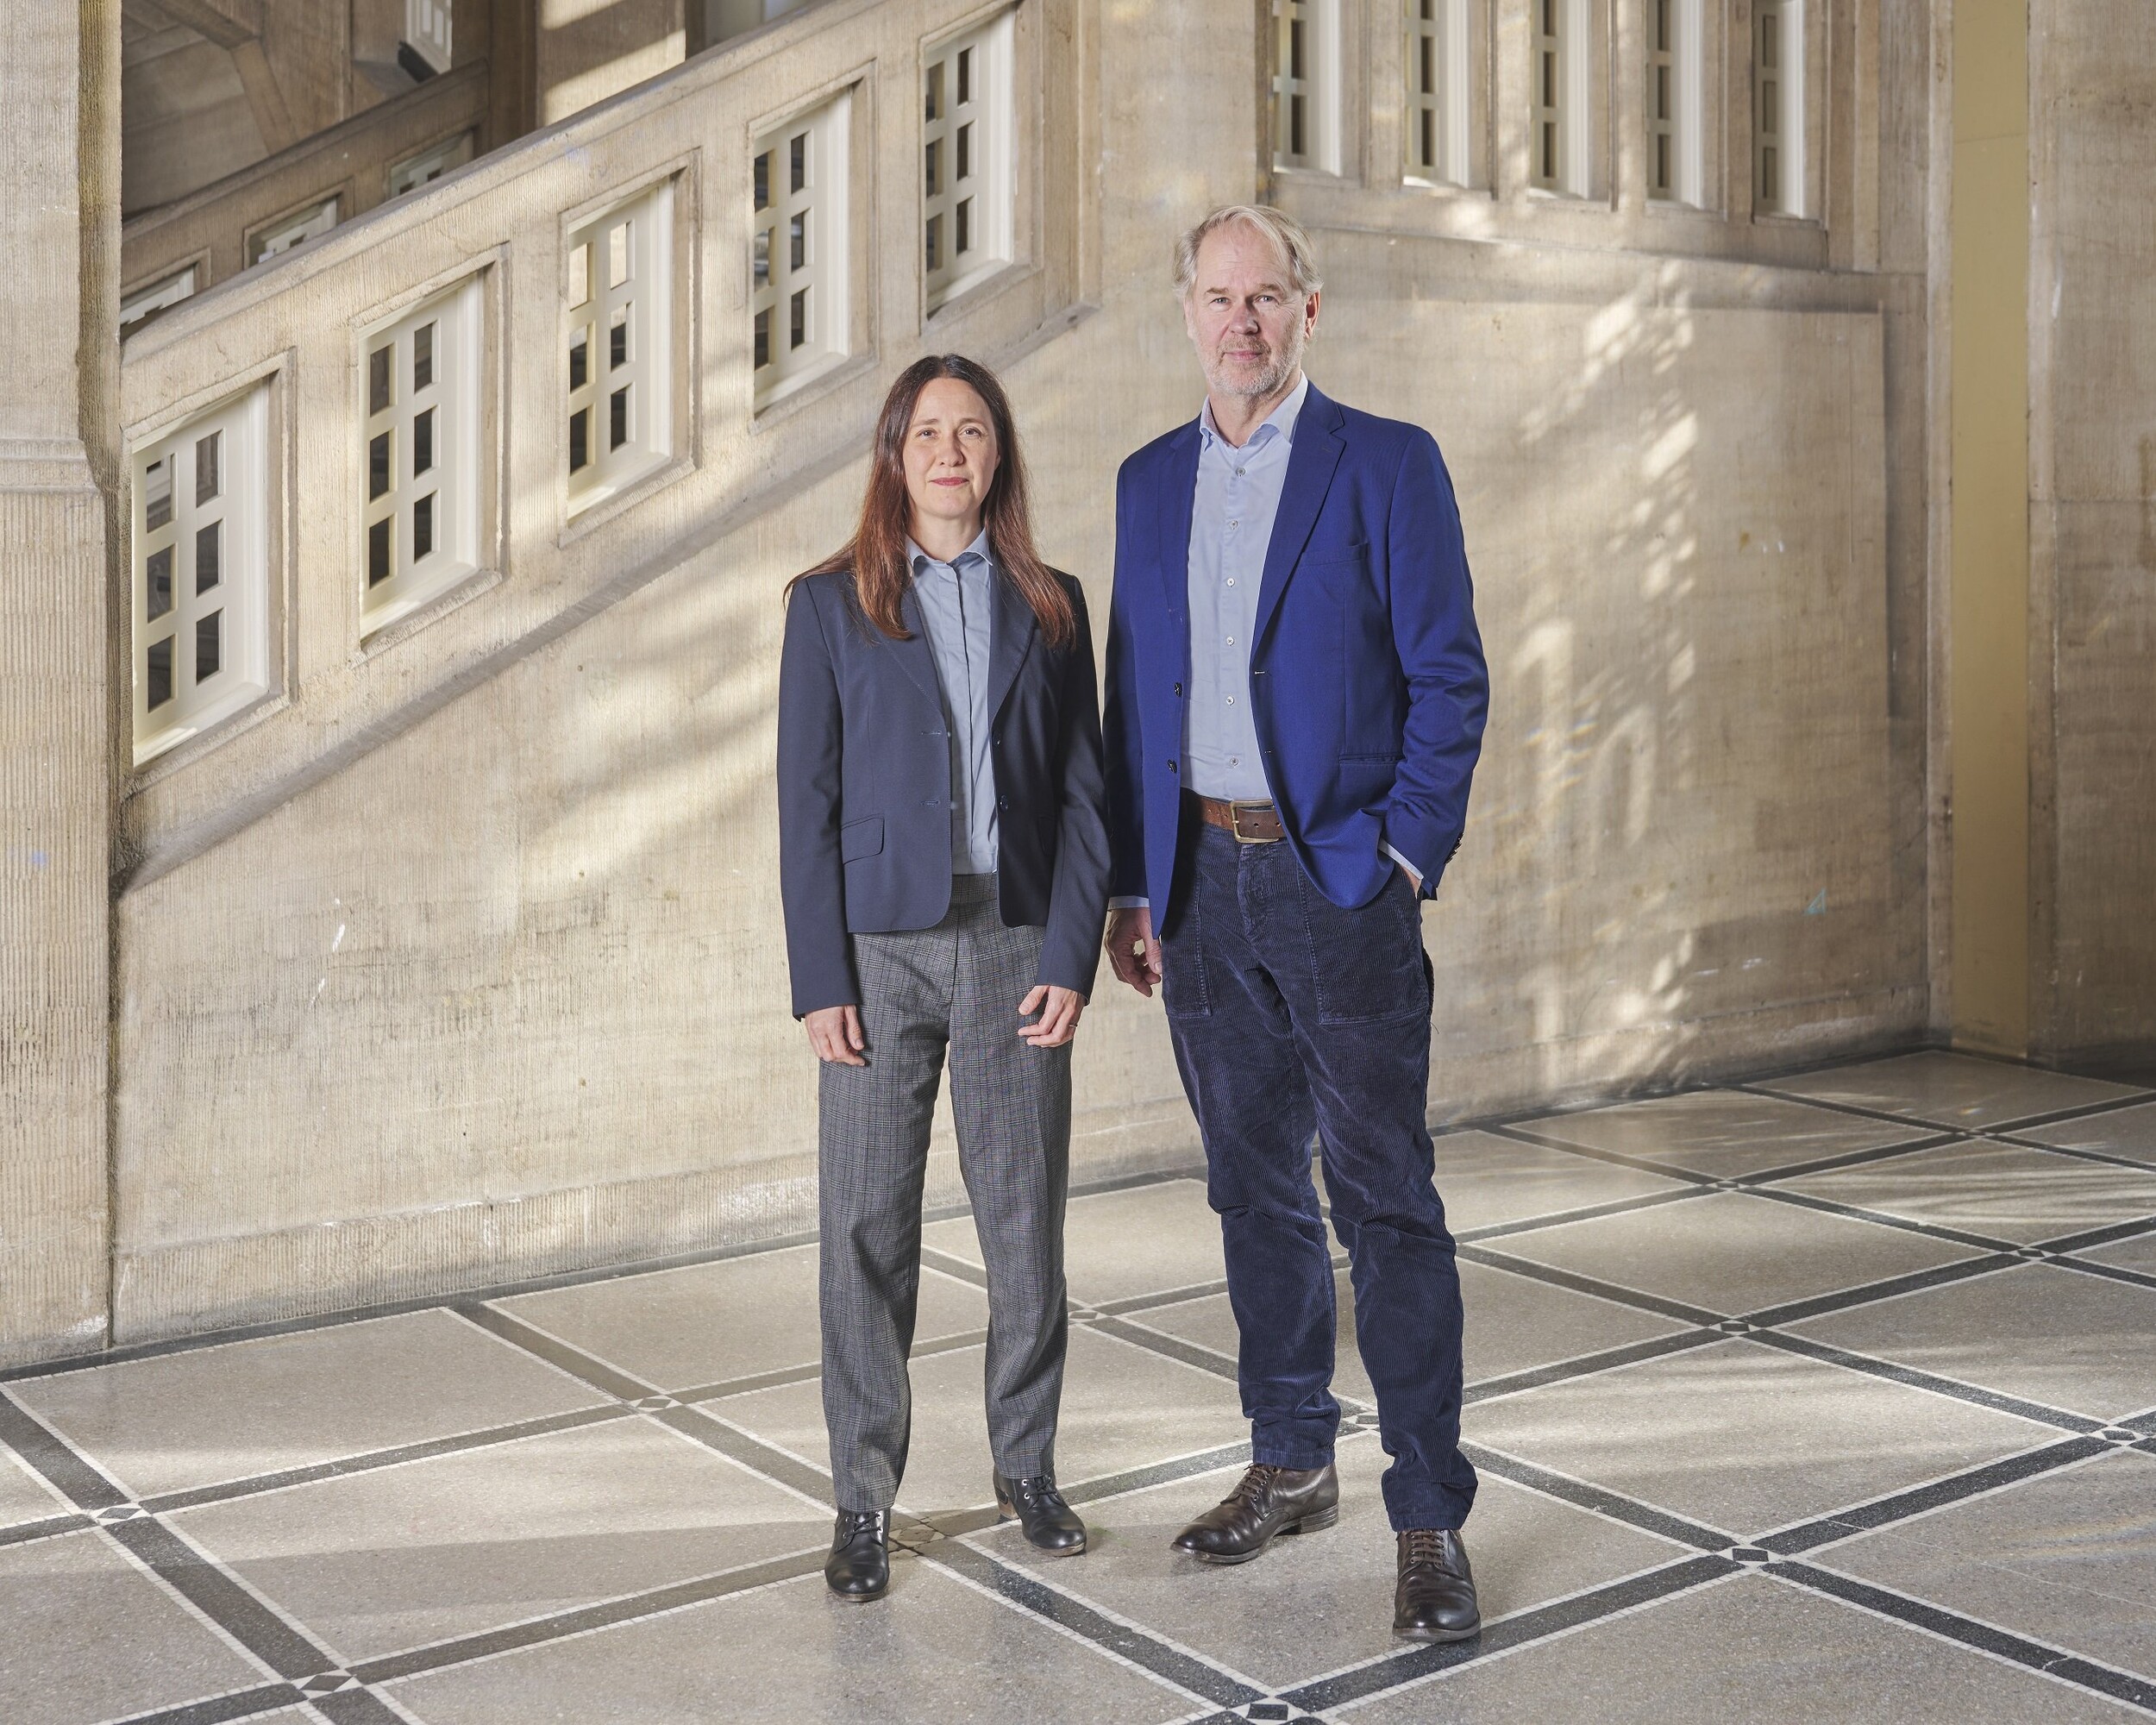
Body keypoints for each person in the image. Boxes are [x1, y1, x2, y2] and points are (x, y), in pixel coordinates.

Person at [1099, 206, 1489, 1642]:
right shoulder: (1148, 483)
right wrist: (1132, 888)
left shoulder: (1385, 463)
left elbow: (1451, 677)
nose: (1243, 323)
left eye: (1268, 297)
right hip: (1198, 891)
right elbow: (1133, 699)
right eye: (1218, 298)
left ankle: (1429, 1513)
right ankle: (1289, 1457)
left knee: (1385, 1199)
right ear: (1187, 315)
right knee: (1250, 1193)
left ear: (1307, 312)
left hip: (1339, 886)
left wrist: (1401, 855)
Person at [779, 354, 1112, 1602]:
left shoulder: (1053, 602)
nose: (952, 451)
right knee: (866, 1227)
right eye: (929, 431)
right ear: (894, 452)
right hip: (877, 953)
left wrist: (1074, 955)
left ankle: (1026, 1465)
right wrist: (822, 980)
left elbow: (1086, 800)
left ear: (999, 456)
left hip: (1018, 947)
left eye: (974, 431)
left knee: (1024, 1226)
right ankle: (862, 1498)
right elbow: (801, 809)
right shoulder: (829, 606)